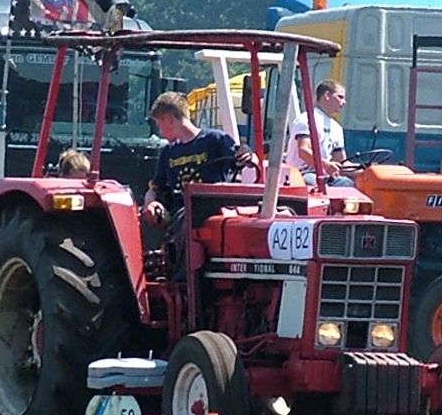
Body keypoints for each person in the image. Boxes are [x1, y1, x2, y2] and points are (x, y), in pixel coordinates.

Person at [142, 92, 257, 278]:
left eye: (159, 124)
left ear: (169, 119)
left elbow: (247, 158)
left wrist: (248, 156)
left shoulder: (215, 140)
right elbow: (153, 189)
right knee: (178, 217)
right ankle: (173, 275)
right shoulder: (168, 153)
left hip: (212, 206)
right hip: (182, 210)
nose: (160, 132)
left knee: (188, 217)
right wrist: (150, 203)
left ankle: (186, 279)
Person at [285, 79, 356, 187]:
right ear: (327, 95)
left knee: (349, 185)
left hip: (325, 176)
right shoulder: (306, 119)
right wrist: (325, 165)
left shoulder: (337, 128)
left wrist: (364, 170)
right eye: (340, 97)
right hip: (301, 174)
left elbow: (341, 161)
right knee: (317, 185)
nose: (344, 102)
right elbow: (303, 151)